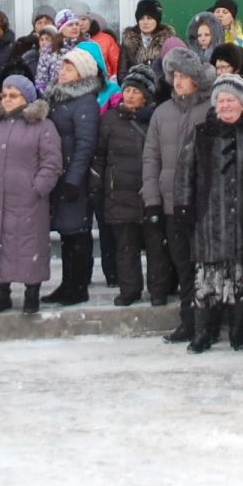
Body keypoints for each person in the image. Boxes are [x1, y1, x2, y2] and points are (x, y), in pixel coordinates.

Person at [180, 72, 243, 353]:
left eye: (231, 100)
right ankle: (202, 333)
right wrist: (184, 207)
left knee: (242, 278)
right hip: (209, 219)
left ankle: (237, 333)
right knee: (208, 280)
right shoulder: (200, 133)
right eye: (221, 100)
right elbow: (186, 174)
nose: (226, 105)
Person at [0, 75, 63, 315]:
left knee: (29, 246)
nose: (7, 100)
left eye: (13, 95)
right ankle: (2, 293)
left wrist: (37, 187)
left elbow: (52, 163)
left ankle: (31, 294)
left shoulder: (42, 126)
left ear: (26, 98)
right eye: (4, 95)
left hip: (27, 200)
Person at [143, 45, 215, 334]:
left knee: (205, 266)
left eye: (185, 76)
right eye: (175, 76)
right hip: (172, 204)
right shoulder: (161, 113)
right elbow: (151, 158)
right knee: (183, 266)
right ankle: (188, 322)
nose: (179, 81)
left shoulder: (211, 109)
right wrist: (152, 201)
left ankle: (207, 323)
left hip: (203, 205)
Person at [43, 48, 102, 306]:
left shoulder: (85, 101)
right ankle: (67, 284)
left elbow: (85, 143)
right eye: (62, 68)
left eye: (68, 68)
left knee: (77, 232)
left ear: (82, 73)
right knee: (67, 234)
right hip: (58, 175)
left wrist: (74, 178)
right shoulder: (57, 98)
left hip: (73, 177)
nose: (62, 72)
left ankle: (78, 286)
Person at [94, 65, 157, 306]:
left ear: (146, 95)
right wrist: (97, 182)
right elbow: (100, 155)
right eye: (127, 90)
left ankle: (158, 289)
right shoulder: (110, 119)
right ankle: (129, 289)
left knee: (155, 248)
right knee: (125, 247)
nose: (130, 95)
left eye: (136, 91)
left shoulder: (154, 119)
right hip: (118, 192)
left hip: (148, 192)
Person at [121, 0, 176, 73]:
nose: (145, 22)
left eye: (149, 18)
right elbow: (122, 72)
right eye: (141, 18)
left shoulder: (169, 40)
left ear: (157, 20)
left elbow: (173, 70)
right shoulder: (128, 40)